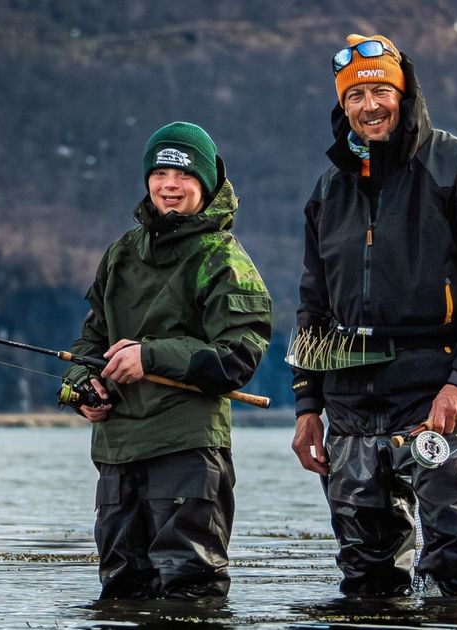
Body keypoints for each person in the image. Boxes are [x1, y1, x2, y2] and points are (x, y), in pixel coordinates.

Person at [289, 34, 457, 597]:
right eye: (355, 96)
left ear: (405, 94)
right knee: (364, 574)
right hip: (349, 409)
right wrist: (307, 408)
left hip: (438, 400)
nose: (370, 106)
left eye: (381, 91)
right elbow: (312, 305)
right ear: (342, 106)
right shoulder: (328, 190)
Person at [63, 121, 272, 600]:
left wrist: (151, 356)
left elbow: (237, 358)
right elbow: (91, 340)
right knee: (121, 594)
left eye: (184, 175)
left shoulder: (223, 259)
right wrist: (80, 386)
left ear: (205, 183)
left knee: (190, 592)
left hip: (187, 451)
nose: (170, 185)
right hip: (117, 451)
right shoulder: (121, 254)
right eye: (160, 173)